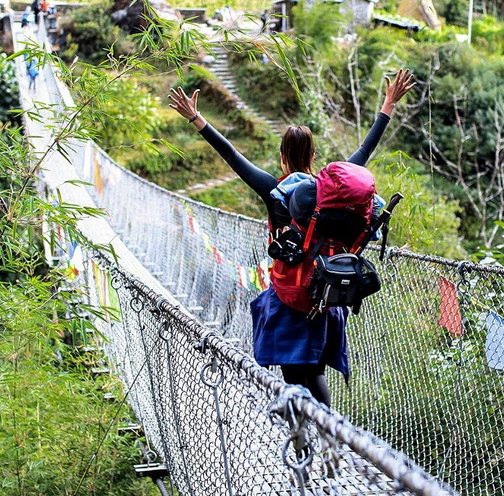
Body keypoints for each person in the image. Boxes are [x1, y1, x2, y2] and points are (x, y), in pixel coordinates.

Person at [168, 68, 414, 406]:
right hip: (328, 292)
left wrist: (196, 118)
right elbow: (365, 150)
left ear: (283, 155)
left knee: (293, 377)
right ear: (314, 157)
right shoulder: (330, 193)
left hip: (287, 296)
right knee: (316, 374)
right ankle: (329, 438)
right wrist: (388, 104)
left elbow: (231, 156)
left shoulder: (273, 189)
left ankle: (299, 442)